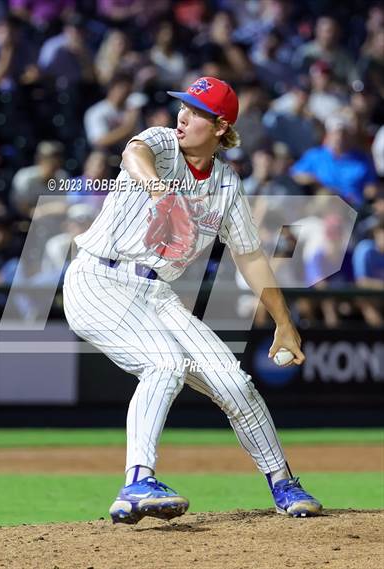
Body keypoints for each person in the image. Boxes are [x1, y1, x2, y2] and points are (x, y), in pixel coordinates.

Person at [63, 76, 322, 524]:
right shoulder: (163, 144)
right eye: (183, 106)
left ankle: (283, 482)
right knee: (165, 363)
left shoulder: (225, 184)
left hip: (155, 293)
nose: (183, 116)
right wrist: (159, 189)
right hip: (97, 279)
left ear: (221, 126)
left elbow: (250, 257)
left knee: (234, 383)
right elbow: (133, 153)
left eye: (197, 111)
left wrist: (284, 321)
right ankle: (136, 483)